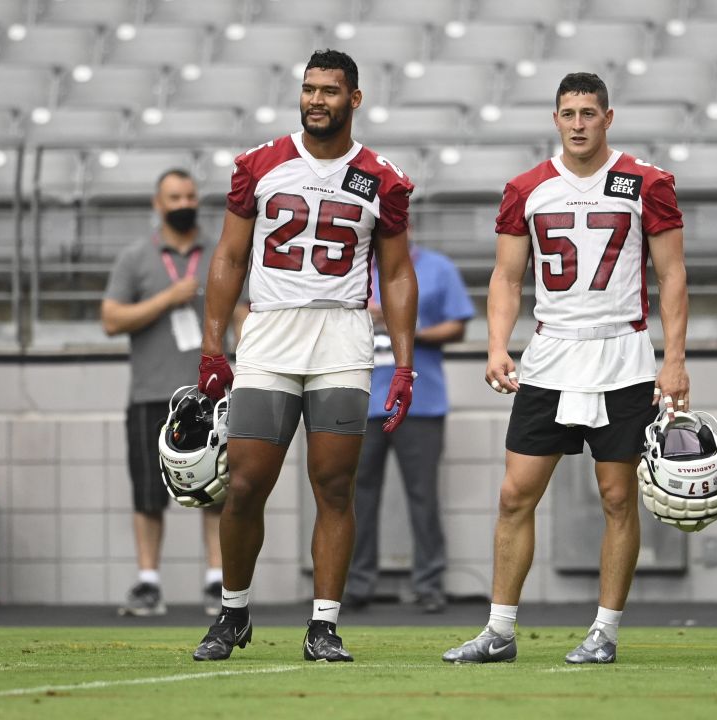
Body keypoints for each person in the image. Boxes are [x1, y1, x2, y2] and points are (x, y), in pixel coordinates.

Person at [441, 72, 689, 665]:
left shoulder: (646, 182)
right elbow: (506, 276)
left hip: (622, 353)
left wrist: (674, 361)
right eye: (568, 113)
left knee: (616, 497)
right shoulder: (527, 187)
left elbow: (672, 274)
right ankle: (499, 631)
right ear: (555, 119)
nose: (578, 123)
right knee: (514, 495)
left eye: (588, 112)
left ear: (608, 117)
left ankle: (604, 631)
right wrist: (497, 344)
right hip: (550, 353)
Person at [191, 49, 418, 662]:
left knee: (335, 485)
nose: (317, 99)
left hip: (343, 333)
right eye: (310, 89)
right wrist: (214, 346)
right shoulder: (260, 164)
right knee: (244, 482)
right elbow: (228, 257)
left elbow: (396, 274)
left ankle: (324, 625)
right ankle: (234, 611)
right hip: (269, 331)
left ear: (355, 99)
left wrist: (403, 362)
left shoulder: (381, 178)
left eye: (331, 90)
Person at [102, 169, 231, 617]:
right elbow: (111, 320)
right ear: (157, 204)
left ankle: (218, 582)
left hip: (210, 393)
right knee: (147, 495)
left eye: (190, 195)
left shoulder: (222, 252)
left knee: (214, 489)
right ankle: (148, 583)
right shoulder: (136, 257)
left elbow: (245, 313)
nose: (183, 203)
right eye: (174, 197)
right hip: (151, 393)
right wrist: (167, 299)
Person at [345, 246, 473, 614]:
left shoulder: (438, 267)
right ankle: (356, 583)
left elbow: (458, 325)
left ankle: (429, 584)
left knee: (423, 497)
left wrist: (400, 324)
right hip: (360, 400)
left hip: (421, 402)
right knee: (355, 499)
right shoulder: (348, 265)